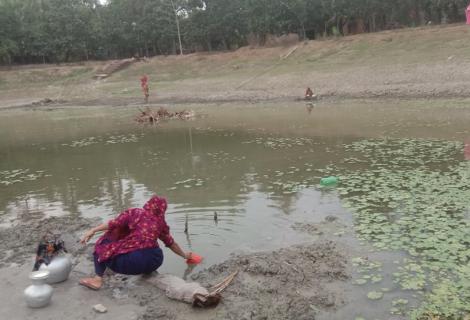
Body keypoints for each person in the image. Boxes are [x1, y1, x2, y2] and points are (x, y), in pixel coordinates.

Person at [79, 195, 192, 290]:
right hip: (155, 261)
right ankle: (146, 271)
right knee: (150, 245)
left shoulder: (135, 213)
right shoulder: (161, 223)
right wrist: (185, 255)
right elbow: (171, 243)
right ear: (163, 210)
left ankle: (97, 279)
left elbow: (113, 224)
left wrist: (93, 230)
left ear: (149, 204)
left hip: (132, 262)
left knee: (102, 244)